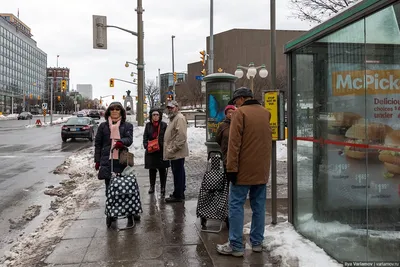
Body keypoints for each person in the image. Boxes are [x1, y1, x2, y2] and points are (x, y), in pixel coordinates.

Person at [216, 87, 272, 257]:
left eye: (235, 101)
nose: (235, 104)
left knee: (236, 206)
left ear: (241, 99)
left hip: (242, 172)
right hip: (261, 171)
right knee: (259, 206)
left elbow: (234, 145)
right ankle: (257, 242)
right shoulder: (265, 113)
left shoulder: (240, 114)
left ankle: (236, 245)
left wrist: (231, 169)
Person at [94, 101, 136, 226]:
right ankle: (112, 213)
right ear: (109, 111)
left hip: (122, 160)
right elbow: (98, 144)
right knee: (109, 188)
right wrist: (97, 160)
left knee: (125, 187)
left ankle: (129, 212)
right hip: (107, 160)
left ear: (121, 111)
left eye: (117, 109)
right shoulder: (103, 126)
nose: (115, 111)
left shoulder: (127, 125)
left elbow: (129, 139)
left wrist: (121, 142)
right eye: (112, 109)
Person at [163, 100, 189, 203]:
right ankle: (178, 192)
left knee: (178, 173)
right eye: (168, 108)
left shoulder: (179, 118)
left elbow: (181, 136)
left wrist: (173, 149)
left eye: (172, 108)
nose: (170, 109)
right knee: (177, 172)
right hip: (174, 152)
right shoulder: (173, 118)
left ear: (177, 108)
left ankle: (178, 194)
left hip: (176, 152)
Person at [143, 108, 170, 196]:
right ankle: (152, 186)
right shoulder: (148, 125)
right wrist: (146, 145)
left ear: (160, 116)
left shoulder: (164, 125)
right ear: (151, 116)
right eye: (154, 115)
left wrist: (163, 145)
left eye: (157, 115)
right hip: (151, 151)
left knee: (162, 170)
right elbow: (145, 136)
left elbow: (167, 137)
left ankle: (163, 187)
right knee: (152, 169)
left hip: (161, 151)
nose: (155, 116)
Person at [216, 104, 236, 173]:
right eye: (229, 112)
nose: (230, 114)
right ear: (226, 114)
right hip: (226, 154)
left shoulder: (238, 124)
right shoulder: (222, 126)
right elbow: (218, 139)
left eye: (232, 112)